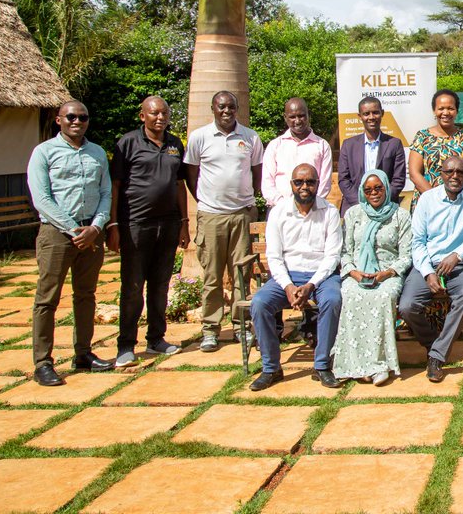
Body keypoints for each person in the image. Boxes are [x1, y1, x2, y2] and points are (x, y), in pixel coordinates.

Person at [26, 100, 113, 386]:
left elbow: (105, 193)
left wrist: (96, 226)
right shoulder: (44, 152)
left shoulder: (97, 152)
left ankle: (83, 353)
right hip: (57, 234)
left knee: (86, 295)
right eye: (72, 117)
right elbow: (42, 198)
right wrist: (74, 229)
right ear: (58, 120)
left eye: (83, 117)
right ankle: (43, 362)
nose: (78, 121)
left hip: (91, 232)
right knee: (47, 298)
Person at [108, 96, 190, 368]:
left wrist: (185, 222)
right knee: (132, 287)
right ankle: (126, 345)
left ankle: (156, 339)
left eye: (164, 113)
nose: (160, 118)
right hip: (135, 225)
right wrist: (113, 226)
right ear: (143, 116)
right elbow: (116, 187)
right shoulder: (127, 143)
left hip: (167, 224)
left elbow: (179, 184)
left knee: (160, 285)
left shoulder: (174, 144)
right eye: (154, 113)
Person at [248, 164, 343, 391]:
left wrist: (311, 285)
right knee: (260, 303)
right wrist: (289, 286)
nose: (304, 187)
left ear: (317, 185)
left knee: (333, 300)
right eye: (298, 182)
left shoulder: (329, 212)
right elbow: (274, 256)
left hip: (321, 276)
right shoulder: (279, 212)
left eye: (310, 182)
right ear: (291, 184)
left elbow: (332, 256)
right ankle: (271, 368)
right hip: (287, 276)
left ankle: (322, 366)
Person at [399, 155, 463, 382]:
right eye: (449, 172)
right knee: (407, 306)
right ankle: (434, 342)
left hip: (460, 265)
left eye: (461, 172)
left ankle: (437, 356)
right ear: (441, 174)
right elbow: (418, 241)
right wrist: (427, 272)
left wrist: (458, 254)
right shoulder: (427, 199)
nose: (455, 177)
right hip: (428, 264)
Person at [184, 90, 264, 353]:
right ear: (213, 109)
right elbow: (191, 175)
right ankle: (210, 329)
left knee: (243, 274)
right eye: (221, 107)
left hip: (241, 213)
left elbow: (256, 174)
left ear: (237, 108)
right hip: (211, 217)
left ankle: (242, 327)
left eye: (231, 107)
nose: (226, 111)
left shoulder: (250, 137)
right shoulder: (199, 137)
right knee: (212, 276)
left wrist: (248, 203)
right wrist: (207, 202)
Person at [333, 169, 411, 385]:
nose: (374, 193)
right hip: (358, 273)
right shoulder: (353, 215)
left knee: (384, 297)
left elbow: (406, 255)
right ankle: (356, 365)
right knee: (349, 294)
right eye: (368, 190)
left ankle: (380, 365)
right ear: (362, 193)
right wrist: (354, 272)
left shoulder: (400, 215)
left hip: (388, 273)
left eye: (378, 188)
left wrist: (386, 273)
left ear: (386, 188)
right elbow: (345, 252)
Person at [336, 96, 407, 216]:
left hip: (386, 208)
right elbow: (343, 179)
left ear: (382, 113)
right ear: (360, 116)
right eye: (366, 114)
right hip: (355, 208)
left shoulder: (394, 144)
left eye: (375, 113)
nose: (371, 117)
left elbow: (398, 180)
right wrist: (361, 203)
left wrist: (381, 201)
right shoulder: (348, 145)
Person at [408, 89, 463, 205]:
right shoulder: (422, 137)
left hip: (460, 202)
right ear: (434, 111)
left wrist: (458, 195)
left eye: (450, 108)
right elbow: (414, 173)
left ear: (457, 111)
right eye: (441, 108)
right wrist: (435, 199)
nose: (445, 113)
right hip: (428, 202)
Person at [261, 97, 333, 205]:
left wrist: (309, 204)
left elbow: (324, 183)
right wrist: (283, 205)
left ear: (308, 115)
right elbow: (267, 182)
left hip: (312, 209)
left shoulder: (322, 145)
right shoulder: (275, 145)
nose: (298, 121)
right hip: (279, 209)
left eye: (301, 116)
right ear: (285, 118)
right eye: (292, 117)